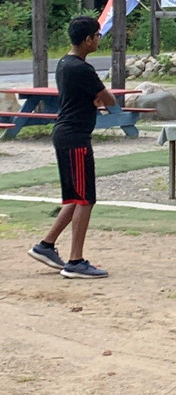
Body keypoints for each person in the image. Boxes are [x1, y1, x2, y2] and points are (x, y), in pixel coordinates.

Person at [27, 16, 115, 279]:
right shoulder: (81, 68)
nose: (99, 39)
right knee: (86, 199)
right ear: (87, 39)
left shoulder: (65, 63)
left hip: (66, 135)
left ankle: (45, 245)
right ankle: (75, 261)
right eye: (97, 35)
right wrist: (99, 99)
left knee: (76, 197)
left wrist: (94, 99)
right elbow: (109, 98)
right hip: (75, 137)